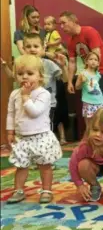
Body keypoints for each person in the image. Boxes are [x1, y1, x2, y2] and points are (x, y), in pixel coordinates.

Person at [6, 55, 62, 204]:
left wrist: (26, 98)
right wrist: (10, 131)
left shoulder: (44, 94)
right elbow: (11, 113)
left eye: (30, 74)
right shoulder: (14, 94)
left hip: (41, 137)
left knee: (45, 166)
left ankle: (46, 190)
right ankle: (18, 190)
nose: (25, 77)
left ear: (40, 76)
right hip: (22, 138)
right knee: (21, 166)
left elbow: (35, 111)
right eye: (20, 73)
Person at [1, 33, 68, 131]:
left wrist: (63, 66)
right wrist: (5, 66)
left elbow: (65, 79)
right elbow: (13, 77)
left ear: (42, 48)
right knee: (29, 127)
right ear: (23, 49)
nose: (32, 49)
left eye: (36, 46)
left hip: (47, 104)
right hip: (27, 100)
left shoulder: (49, 64)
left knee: (45, 129)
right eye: (28, 46)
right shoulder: (21, 63)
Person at [59, 11, 103, 103]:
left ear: (73, 21)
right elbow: (72, 62)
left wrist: (90, 74)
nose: (62, 27)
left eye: (64, 23)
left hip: (102, 72)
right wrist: (70, 82)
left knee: (102, 103)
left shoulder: (89, 32)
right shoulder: (70, 42)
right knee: (90, 102)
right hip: (89, 74)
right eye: (60, 24)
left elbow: (96, 54)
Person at [75, 52, 103, 127]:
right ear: (86, 62)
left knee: (100, 123)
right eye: (91, 59)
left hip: (100, 101)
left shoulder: (97, 74)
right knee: (89, 125)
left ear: (98, 63)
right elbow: (77, 87)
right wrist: (81, 81)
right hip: (88, 102)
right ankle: (89, 138)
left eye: (95, 60)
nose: (93, 61)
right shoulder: (82, 74)